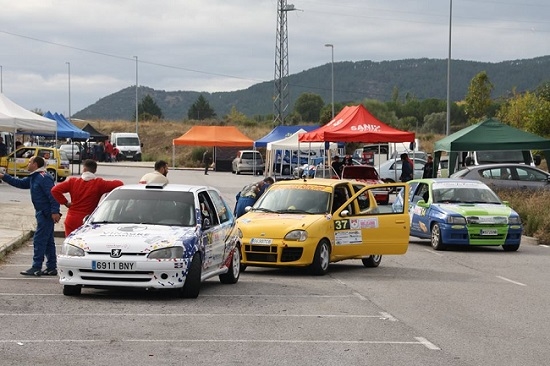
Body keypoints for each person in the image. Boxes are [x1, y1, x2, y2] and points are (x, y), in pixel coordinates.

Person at [0, 156, 61, 276]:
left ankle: (36, 267)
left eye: (30, 162)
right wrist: (5, 177)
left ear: (36, 164)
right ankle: (51, 266)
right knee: (48, 241)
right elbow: (20, 183)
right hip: (41, 213)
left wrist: (55, 211)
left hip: (45, 213)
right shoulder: (35, 177)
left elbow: (53, 195)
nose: (27, 164)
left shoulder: (43, 177)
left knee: (39, 240)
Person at [51, 159, 124, 237]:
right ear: (95, 170)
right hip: (87, 219)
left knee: (70, 244)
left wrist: (66, 203)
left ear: (84, 169)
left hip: (71, 218)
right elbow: (119, 183)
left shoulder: (73, 182)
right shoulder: (99, 184)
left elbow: (55, 190)